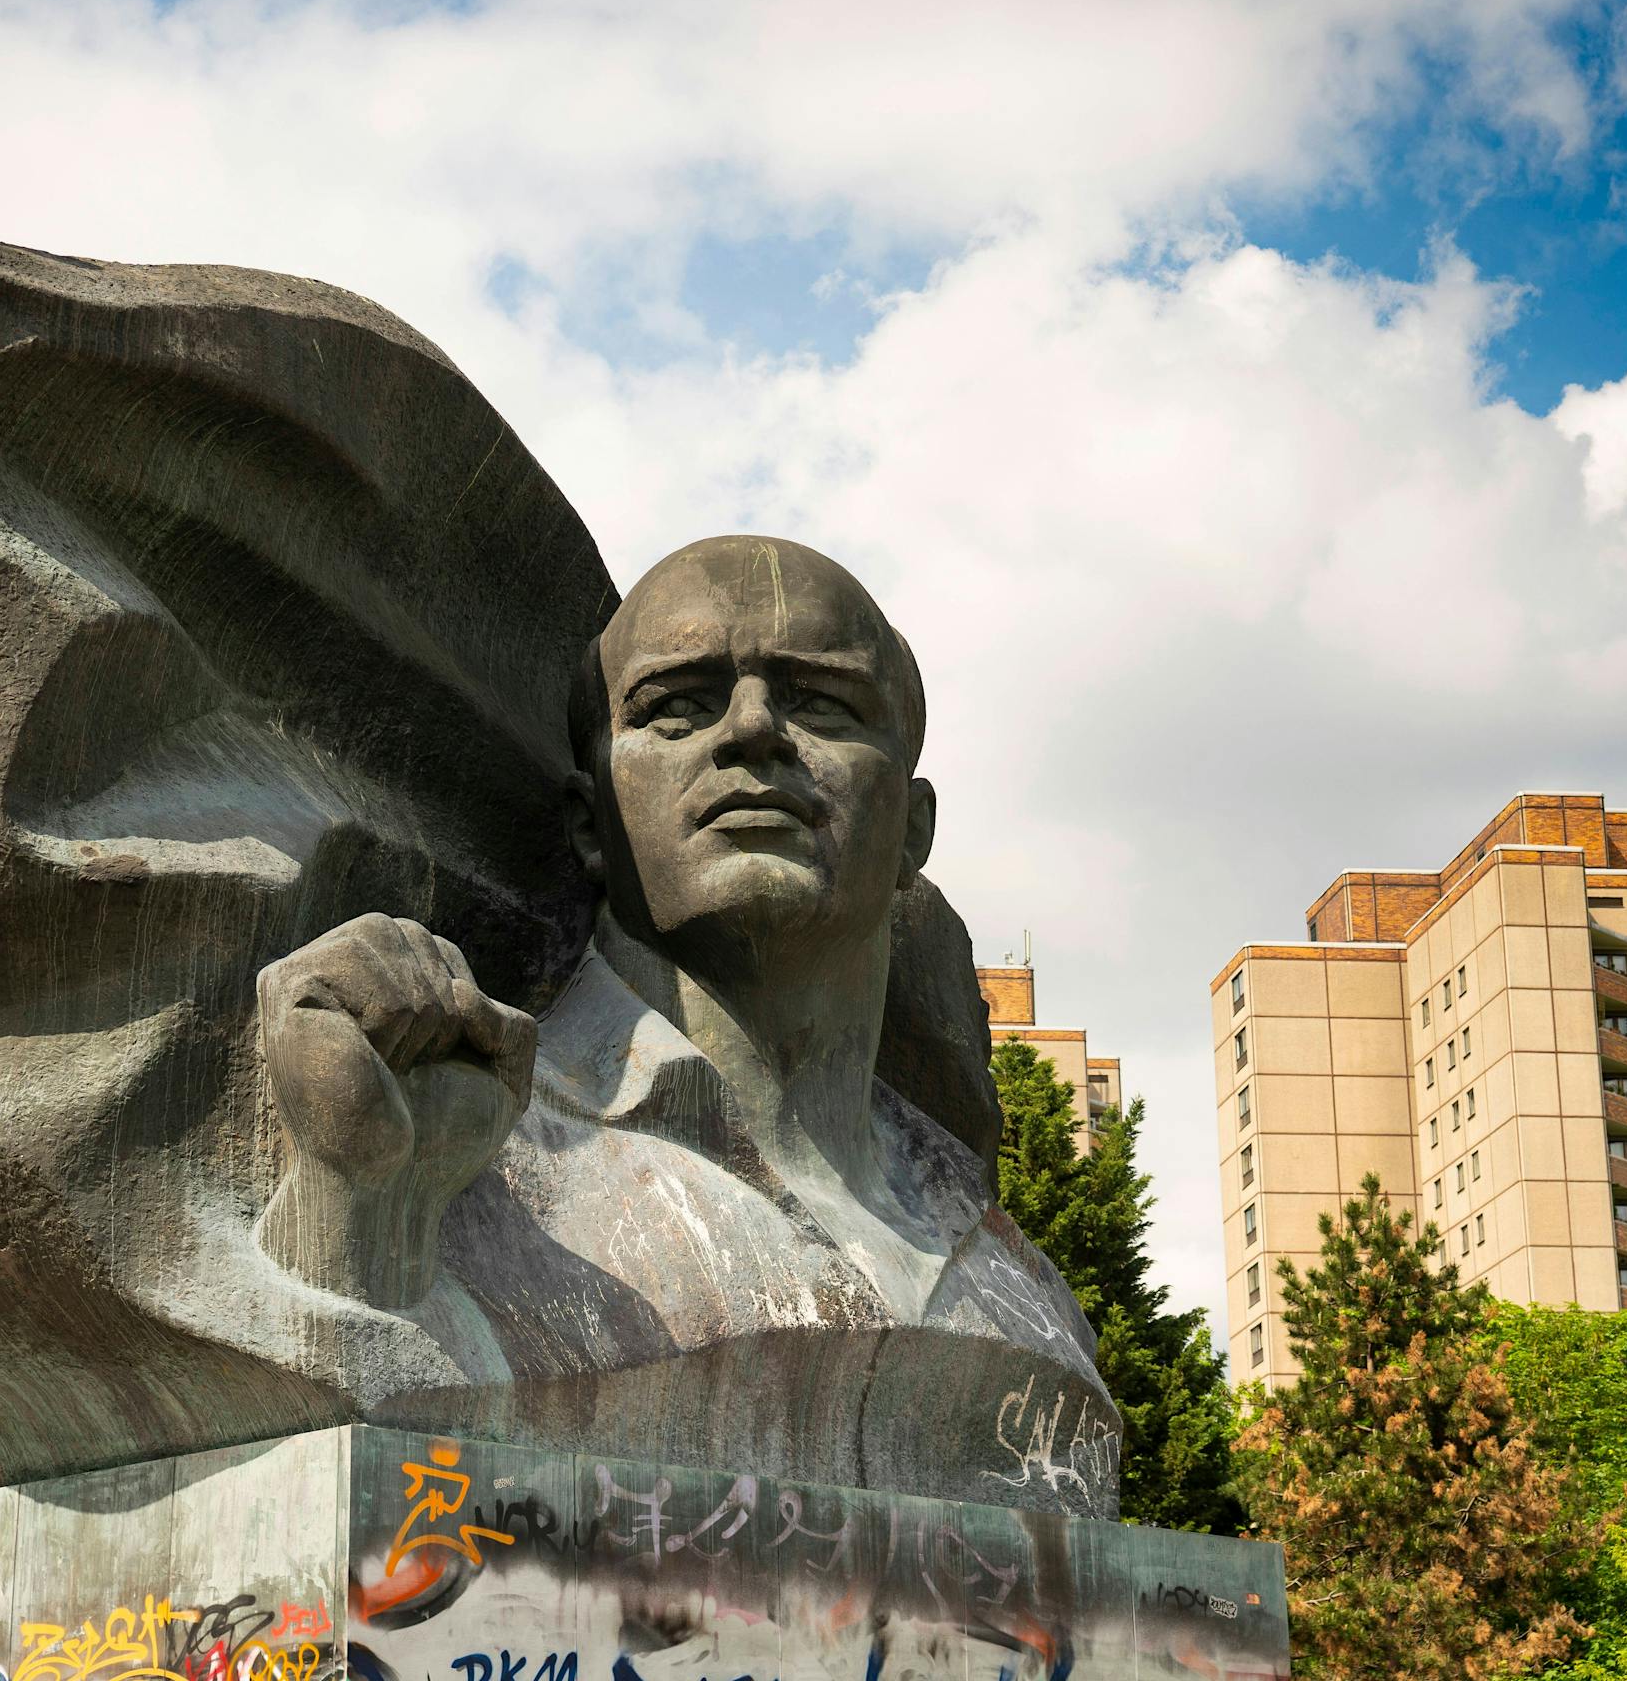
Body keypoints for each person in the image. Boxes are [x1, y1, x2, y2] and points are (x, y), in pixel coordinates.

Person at [260, 535, 1118, 1511]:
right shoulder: (447, 1152)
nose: (751, 730)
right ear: (591, 824)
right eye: (679, 702)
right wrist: (356, 1213)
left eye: (821, 700)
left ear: (912, 827)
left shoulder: (1019, 1280)